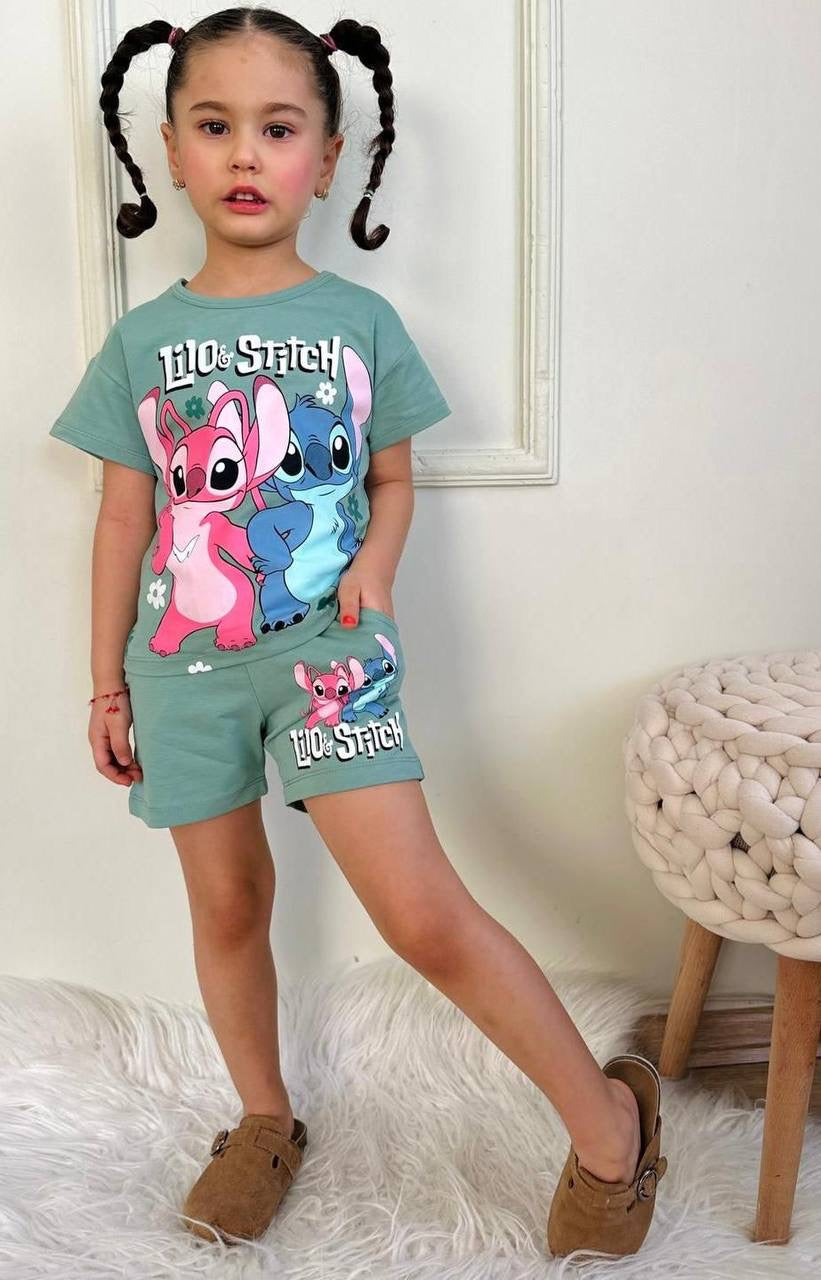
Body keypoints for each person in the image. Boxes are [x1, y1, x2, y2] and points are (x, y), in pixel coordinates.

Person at [49, 7, 668, 1255]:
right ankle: (263, 1117)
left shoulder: (358, 322)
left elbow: (391, 479)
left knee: (421, 914)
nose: (245, 153)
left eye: (277, 128)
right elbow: (125, 516)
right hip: (180, 670)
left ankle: (610, 1119)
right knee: (228, 904)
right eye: (214, 125)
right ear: (172, 150)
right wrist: (107, 681)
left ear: (325, 158)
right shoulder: (142, 341)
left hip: (329, 661)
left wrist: (374, 575)